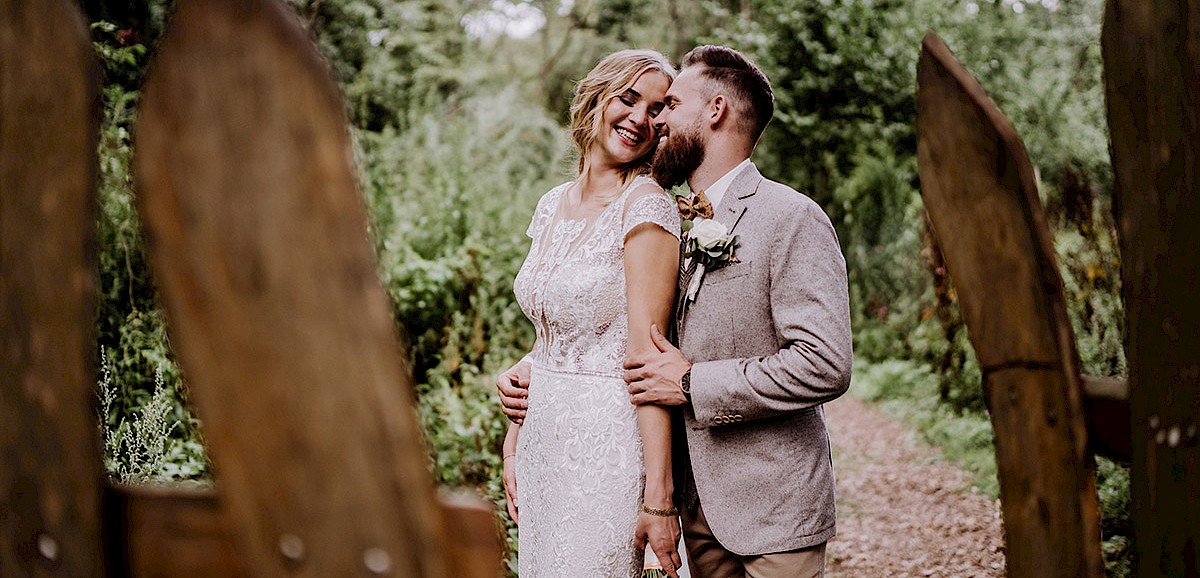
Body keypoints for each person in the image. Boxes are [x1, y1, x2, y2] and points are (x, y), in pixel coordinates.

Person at [621, 45, 854, 578]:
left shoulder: (792, 217)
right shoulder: (667, 223)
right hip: (696, 508)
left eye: (671, 104)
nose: (657, 122)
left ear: (716, 109)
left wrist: (693, 384)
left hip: (775, 510)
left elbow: (824, 363)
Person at [495, 49, 685, 578]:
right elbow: (554, 332)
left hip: (605, 450)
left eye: (656, 109)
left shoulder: (646, 206)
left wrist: (658, 499)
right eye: (628, 100)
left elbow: (649, 359)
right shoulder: (552, 202)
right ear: (597, 98)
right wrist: (514, 438)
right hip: (541, 443)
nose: (640, 119)